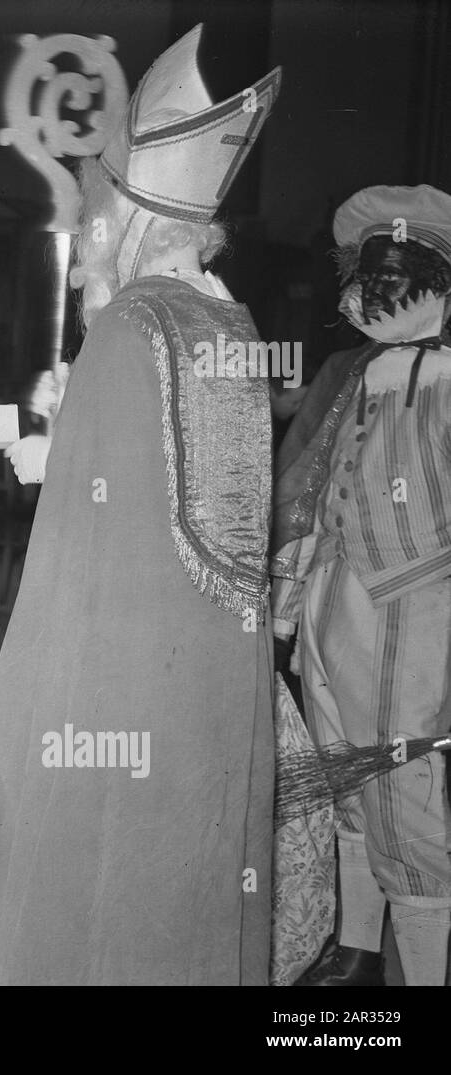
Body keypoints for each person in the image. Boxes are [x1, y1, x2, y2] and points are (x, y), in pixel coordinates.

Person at [0, 25, 282, 984]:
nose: (89, 249)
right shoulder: (227, 317)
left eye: (96, 223)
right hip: (210, 671)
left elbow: (85, 547)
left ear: (129, 222)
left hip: (118, 672)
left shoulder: (131, 324)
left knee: (85, 891)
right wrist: (55, 445)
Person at [272, 185, 451, 987]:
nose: (368, 294)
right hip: (329, 611)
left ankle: (421, 971)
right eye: (365, 276)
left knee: (407, 809)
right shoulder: (358, 374)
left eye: (396, 276)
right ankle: (356, 949)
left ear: (440, 285)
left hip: (410, 625)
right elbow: (317, 491)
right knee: (344, 784)